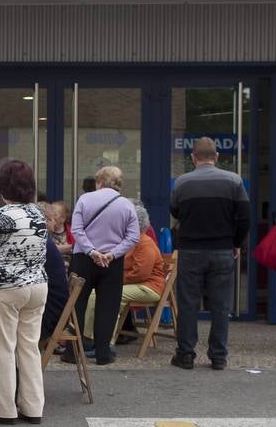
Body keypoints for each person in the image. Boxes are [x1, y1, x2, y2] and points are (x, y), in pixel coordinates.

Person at [0, 160, 49, 425]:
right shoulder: (40, 213)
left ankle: (4, 409)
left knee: (3, 349)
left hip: (6, 288)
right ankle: (33, 407)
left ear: (2, 186)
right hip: (38, 286)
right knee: (29, 348)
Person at [169, 137, 250, 371]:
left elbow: (174, 210)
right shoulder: (234, 181)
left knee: (188, 304)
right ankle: (218, 357)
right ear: (216, 157)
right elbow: (245, 217)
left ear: (193, 158)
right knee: (220, 305)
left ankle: (185, 355)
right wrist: (236, 243)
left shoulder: (182, 182)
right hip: (222, 250)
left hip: (190, 250)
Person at [67, 167, 140, 366]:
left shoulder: (84, 200)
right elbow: (133, 236)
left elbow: (76, 230)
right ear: (119, 183)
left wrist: (92, 251)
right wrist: (112, 253)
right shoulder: (127, 205)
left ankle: (72, 352)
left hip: (83, 258)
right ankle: (102, 353)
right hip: (111, 262)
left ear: (99, 181)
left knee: (77, 304)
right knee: (107, 307)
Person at [83, 201, 164, 348]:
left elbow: (140, 274)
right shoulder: (131, 241)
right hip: (136, 284)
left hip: (149, 286)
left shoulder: (145, 243)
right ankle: (89, 337)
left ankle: (105, 342)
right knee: (94, 293)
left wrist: (112, 280)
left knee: (110, 296)